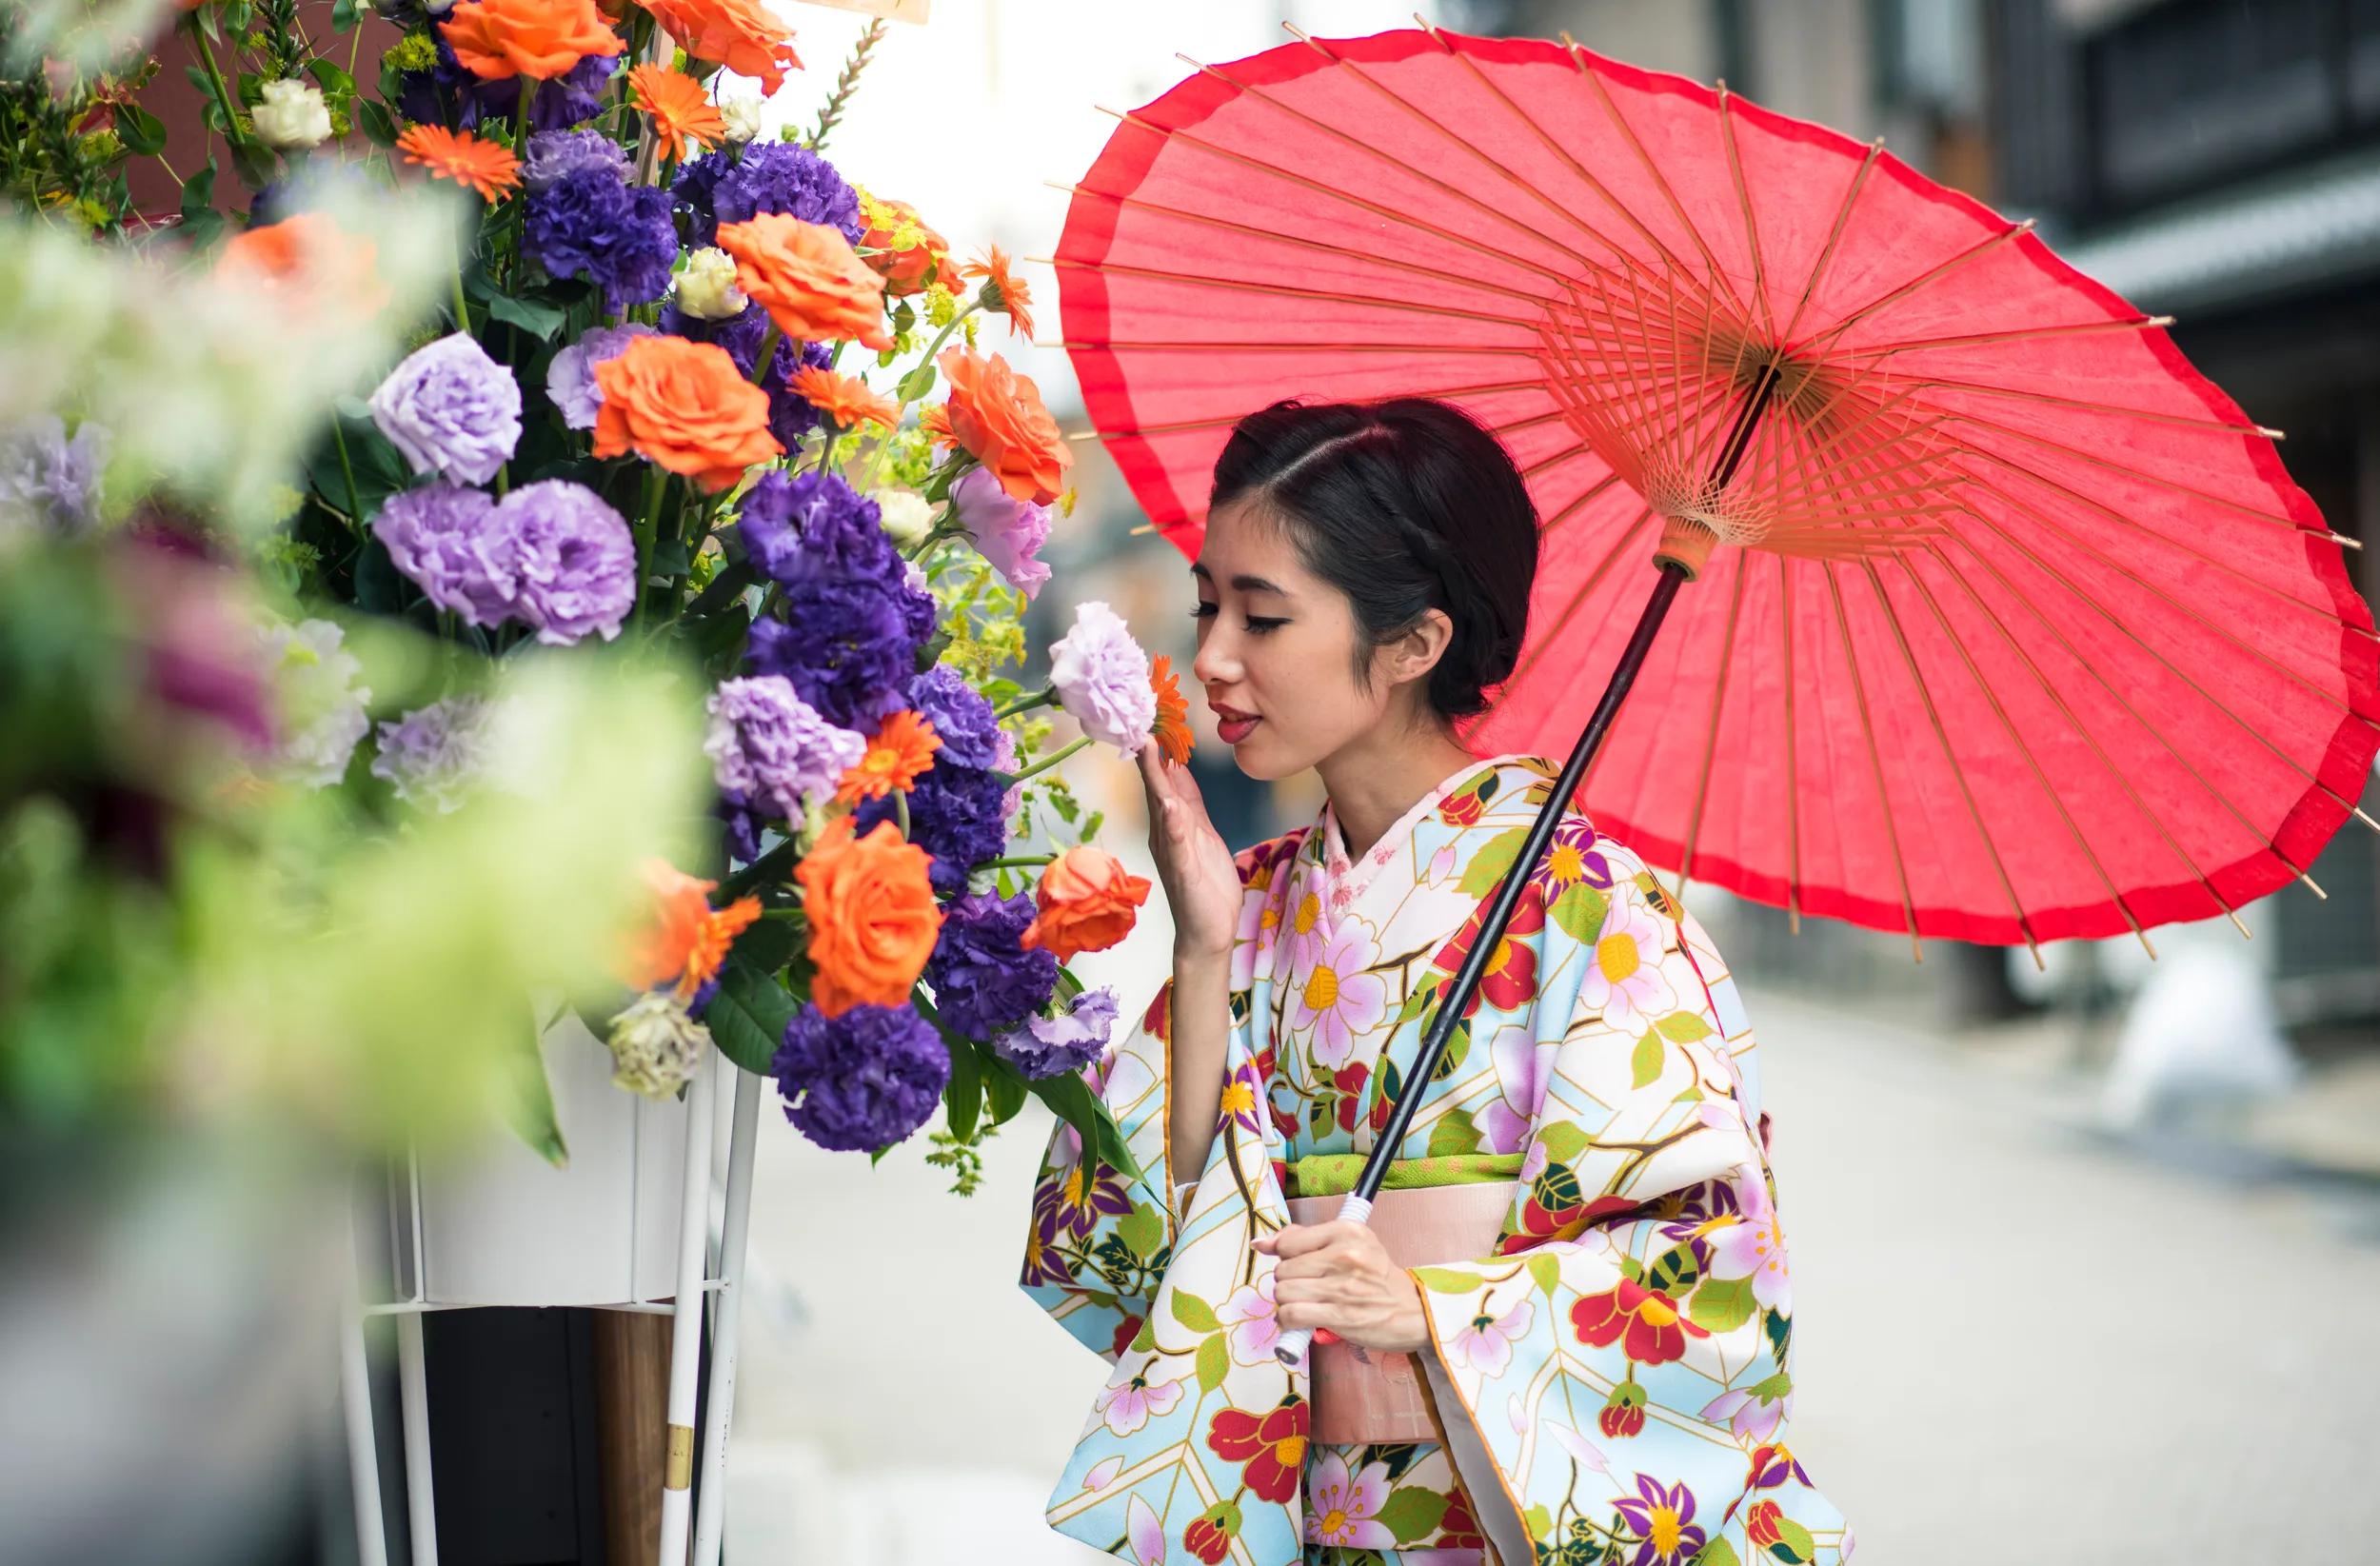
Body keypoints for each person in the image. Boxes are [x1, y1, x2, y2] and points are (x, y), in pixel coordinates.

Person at [1021, 398, 1851, 1566]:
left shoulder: (1592, 910)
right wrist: (1204, 949)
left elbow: (1713, 1276)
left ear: (1414, 645)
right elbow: (1127, 1235)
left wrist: (1430, 1309)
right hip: (1313, 1509)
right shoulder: (1251, 899)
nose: (1209, 657)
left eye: (1261, 617)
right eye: (1209, 604)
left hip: (1496, 1510)